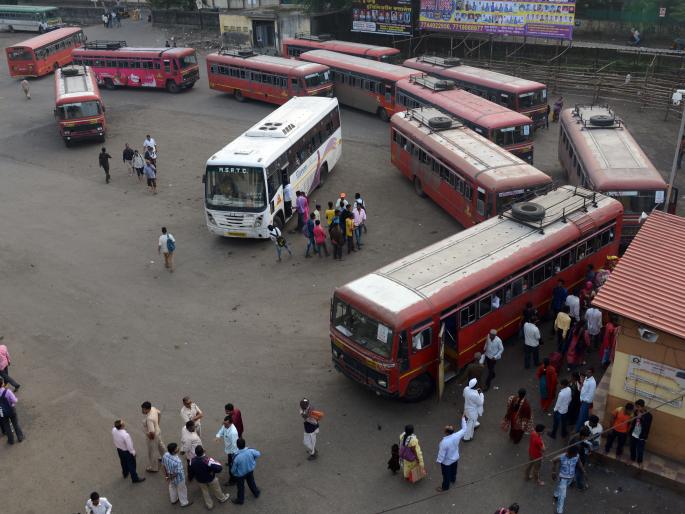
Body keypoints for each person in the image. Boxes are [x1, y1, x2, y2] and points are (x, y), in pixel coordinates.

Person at [435, 417, 468, 492]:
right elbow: (464, 429)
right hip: (455, 458)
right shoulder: (457, 435)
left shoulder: (444, 442)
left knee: (446, 475)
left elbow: (441, 454)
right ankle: (453, 479)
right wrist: (463, 418)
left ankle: (445, 487)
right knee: (454, 470)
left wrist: (438, 461)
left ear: (446, 432)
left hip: (446, 462)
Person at [552, 446, 584, 514]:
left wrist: (584, 471)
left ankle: (556, 494)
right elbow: (554, 460)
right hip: (563, 478)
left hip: (570, 478)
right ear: (571, 453)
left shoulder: (576, 456)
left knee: (560, 489)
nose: (576, 455)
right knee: (562, 496)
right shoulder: (562, 457)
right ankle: (559, 511)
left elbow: (579, 463)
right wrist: (553, 472)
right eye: (574, 454)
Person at [112, 419, 145, 483]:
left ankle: (125, 473)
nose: (124, 422)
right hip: (126, 451)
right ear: (121, 426)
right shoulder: (125, 435)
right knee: (132, 465)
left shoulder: (114, 430)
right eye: (122, 422)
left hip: (119, 450)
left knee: (123, 462)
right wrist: (133, 453)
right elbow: (129, 446)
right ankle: (135, 478)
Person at [231, 438, 261, 505]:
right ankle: (256, 493)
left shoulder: (236, 457)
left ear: (237, 446)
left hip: (240, 475)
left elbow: (233, 469)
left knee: (240, 488)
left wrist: (234, 474)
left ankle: (240, 500)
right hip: (250, 471)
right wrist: (253, 460)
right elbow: (258, 454)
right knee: (251, 482)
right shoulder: (250, 451)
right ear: (245, 444)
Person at [162, 442, 192, 507]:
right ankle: (184, 503)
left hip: (170, 476)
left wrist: (167, 475)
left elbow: (163, 465)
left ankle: (173, 500)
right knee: (182, 489)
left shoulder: (165, 455)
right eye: (176, 448)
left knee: (172, 487)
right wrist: (170, 477)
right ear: (173, 451)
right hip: (179, 478)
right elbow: (177, 472)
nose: (178, 448)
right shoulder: (178, 461)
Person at [141, 401, 165, 472]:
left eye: (143, 409)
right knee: (160, 445)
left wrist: (150, 437)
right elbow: (159, 413)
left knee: (152, 452)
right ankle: (165, 457)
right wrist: (157, 424)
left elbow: (152, 432)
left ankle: (154, 468)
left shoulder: (149, 419)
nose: (142, 410)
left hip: (153, 436)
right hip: (158, 431)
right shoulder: (153, 409)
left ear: (147, 409)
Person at [216, 415, 238, 485]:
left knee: (231, 468)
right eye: (224, 423)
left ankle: (232, 480)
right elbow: (221, 430)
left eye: (226, 424)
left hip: (232, 452)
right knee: (230, 461)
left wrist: (232, 457)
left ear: (231, 423)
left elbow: (234, 446)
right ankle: (230, 462)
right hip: (228, 449)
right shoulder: (225, 425)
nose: (224, 425)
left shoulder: (233, 433)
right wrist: (218, 436)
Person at [0, 378, 24, 444]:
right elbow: (14, 400)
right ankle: (20, 437)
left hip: (2, 412)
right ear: (2, 384)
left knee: (6, 426)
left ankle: (10, 440)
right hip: (11, 410)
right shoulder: (7, 391)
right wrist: (14, 401)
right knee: (15, 424)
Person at [629, 399, 652, 467]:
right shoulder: (636, 412)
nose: (637, 408)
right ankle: (632, 459)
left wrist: (641, 417)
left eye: (638, 407)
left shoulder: (649, 415)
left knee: (640, 450)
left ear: (643, 407)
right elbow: (633, 422)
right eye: (636, 406)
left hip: (642, 436)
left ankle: (640, 461)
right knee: (632, 447)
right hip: (634, 433)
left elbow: (647, 426)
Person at [574, 368, 596, 432]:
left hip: (586, 402)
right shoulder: (586, 378)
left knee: (581, 416)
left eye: (589, 372)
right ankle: (585, 427)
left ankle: (577, 430)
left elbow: (591, 394)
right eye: (587, 371)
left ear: (592, 373)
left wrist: (585, 400)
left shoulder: (592, 382)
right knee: (585, 416)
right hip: (582, 400)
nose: (588, 373)